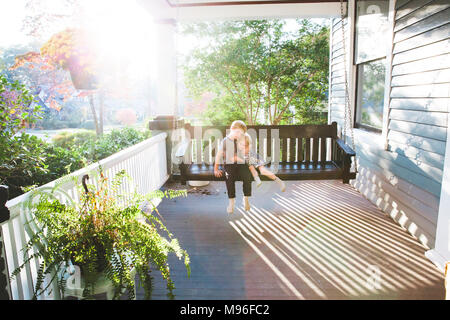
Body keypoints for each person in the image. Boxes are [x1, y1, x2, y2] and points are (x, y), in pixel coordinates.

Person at [214, 120, 253, 214]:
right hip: (229, 165)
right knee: (229, 177)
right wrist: (216, 168)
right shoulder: (225, 141)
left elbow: (248, 151)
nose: (239, 134)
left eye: (241, 133)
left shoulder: (243, 139)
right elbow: (219, 155)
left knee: (247, 176)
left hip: (241, 163)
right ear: (232, 129)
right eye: (237, 132)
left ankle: (246, 198)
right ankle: (231, 201)